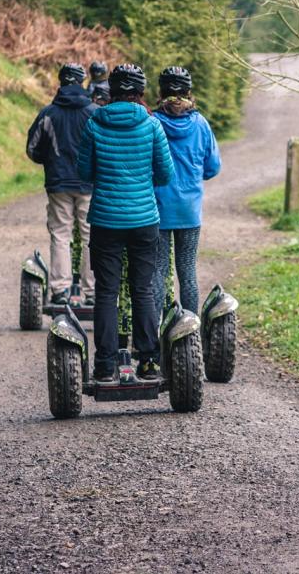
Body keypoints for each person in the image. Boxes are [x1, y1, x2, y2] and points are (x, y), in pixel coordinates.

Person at [77, 63, 173, 384]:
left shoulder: (94, 124)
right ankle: (148, 362)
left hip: (105, 220)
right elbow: (165, 174)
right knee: (142, 289)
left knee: (106, 292)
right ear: (141, 93)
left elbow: (84, 172)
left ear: (112, 92)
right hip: (144, 220)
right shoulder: (152, 125)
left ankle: (105, 365)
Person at [151, 66, 221, 317]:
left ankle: (157, 332)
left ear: (161, 91)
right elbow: (213, 167)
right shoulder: (201, 124)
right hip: (189, 210)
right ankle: (191, 332)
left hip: (158, 208)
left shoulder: (153, 122)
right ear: (189, 92)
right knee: (187, 270)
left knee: (158, 270)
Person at [26, 62, 97, 306]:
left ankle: (60, 290)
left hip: (58, 183)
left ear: (61, 82)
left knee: (60, 234)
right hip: (89, 184)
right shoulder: (94, 112)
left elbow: (32, 149)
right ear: (82, 82)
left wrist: (50, 161)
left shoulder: (48, 113)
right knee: (91, 236)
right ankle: (92, 291)